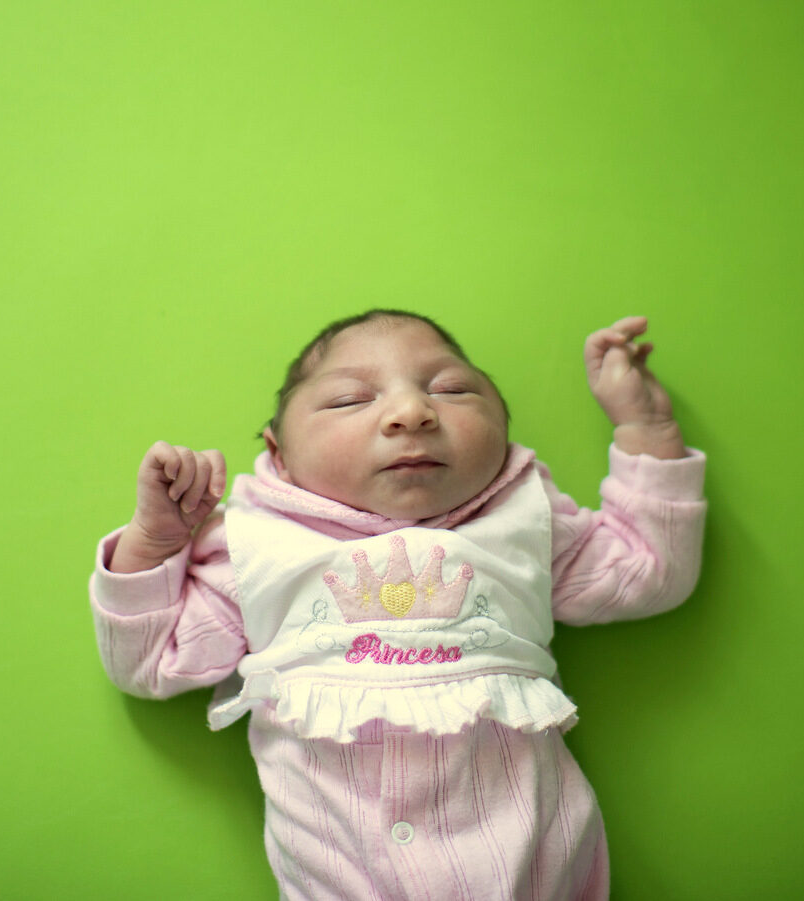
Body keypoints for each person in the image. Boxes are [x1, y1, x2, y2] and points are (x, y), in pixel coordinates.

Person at [89, 309, 706, 900]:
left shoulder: (523, 520)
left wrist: (648, 432)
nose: (411, 412)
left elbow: (647, 572)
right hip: (347, 874)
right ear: (279, 453)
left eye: (454, 391)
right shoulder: (256, 545)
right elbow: (149, 666)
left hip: (527, 865)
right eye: (350, 400)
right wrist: (155, 544)